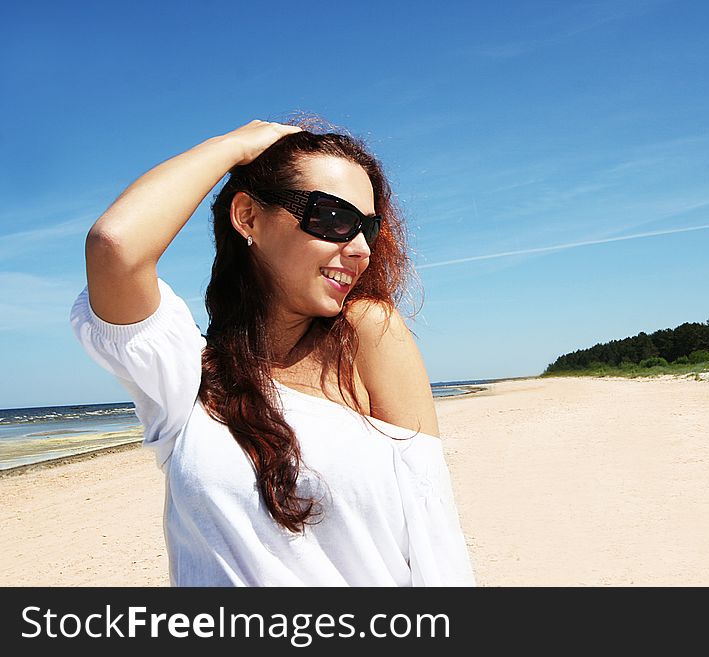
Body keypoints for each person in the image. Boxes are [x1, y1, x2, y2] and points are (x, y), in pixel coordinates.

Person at [69, 118, 475, 586]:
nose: (361, 248)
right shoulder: (186, 382)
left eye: (368, 227)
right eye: (334, 218)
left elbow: (433, 531)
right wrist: (233, 146)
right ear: (249, 218)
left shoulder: (365, 334)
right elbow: (115, 247)